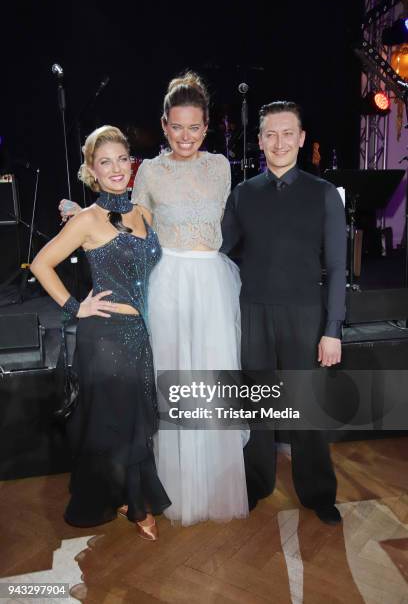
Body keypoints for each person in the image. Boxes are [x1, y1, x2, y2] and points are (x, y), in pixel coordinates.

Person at [60, 73, 249, 526]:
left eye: (195, 127)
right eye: (177, 127)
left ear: (207, 128)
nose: (186, 136)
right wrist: (79, 218)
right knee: (167, 384)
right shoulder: (149, 171)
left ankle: (216, 487)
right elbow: (127, 221)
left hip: (211, 286)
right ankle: (170, 490)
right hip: (164, 286)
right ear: (164, 125)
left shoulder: (221, 167)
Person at [32, 125, 170, 539]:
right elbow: (41, 264)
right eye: (104, 161)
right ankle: (134, 504)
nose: (115, 168)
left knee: (133, 419)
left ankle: (127, 493)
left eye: (121, 159)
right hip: (105, 337)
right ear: (92, 169)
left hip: (140, 333)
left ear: (131, 163)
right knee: (121, 421)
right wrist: (77, 307)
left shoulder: (143, 213)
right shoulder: (87, 220)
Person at [221, 101, 347, 525]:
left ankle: (318, 492)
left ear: (301, 137)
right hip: (253, 312)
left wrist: (333, 328)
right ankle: (256, 483)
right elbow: (216, 252)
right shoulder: (242, 195)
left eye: (287, 133)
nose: (279, 142)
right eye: (270, 134)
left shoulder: (324, 193)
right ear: (259, 141)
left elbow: (337, 267)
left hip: (305, 315)